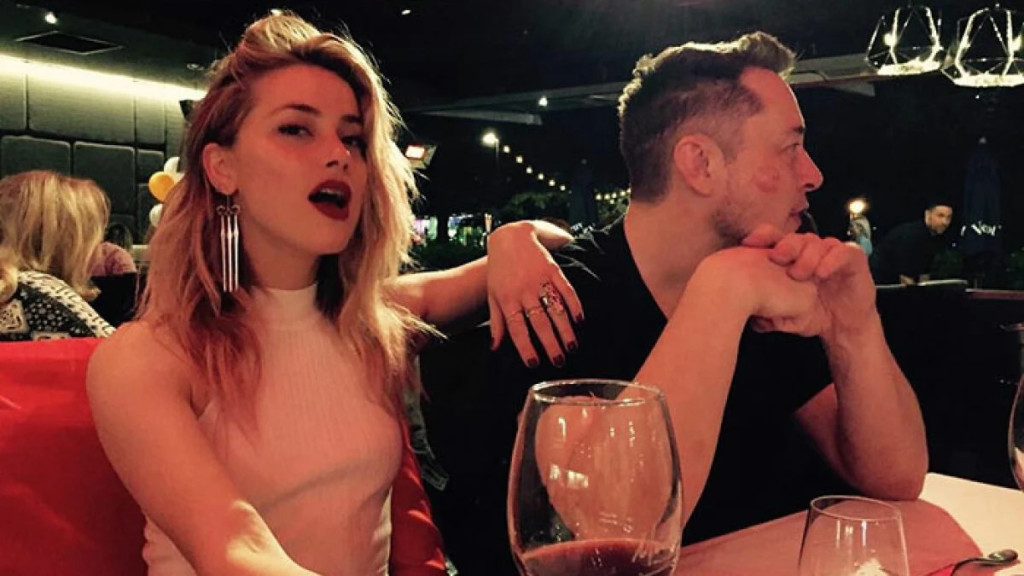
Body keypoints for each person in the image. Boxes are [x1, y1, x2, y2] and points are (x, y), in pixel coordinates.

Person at [86, 12, 582, 576]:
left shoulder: (375, 319)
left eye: (352, 138)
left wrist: (514, 236)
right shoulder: (146, 359)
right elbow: (237, 551)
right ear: (222, 167)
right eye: (297, 129)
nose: (339, 155)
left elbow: (557, 241)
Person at [477, 31, 927, 566]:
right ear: (700, 164)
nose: (813, 175)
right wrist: (722, 291)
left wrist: (853, 326)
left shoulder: (774, 281)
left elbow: (897, 477)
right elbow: (614, 535)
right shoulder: (552, 302)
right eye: (790, 148)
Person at [0, 170, 114, 341]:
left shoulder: (11, 289)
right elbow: (121, 353)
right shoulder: (42, 295)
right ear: (70, 241)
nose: (99, 250)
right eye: (95, 238)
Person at [869, 201, 953, 285]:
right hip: (878, 282)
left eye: (949, 217)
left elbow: (924, 274)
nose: (945, 222)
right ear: (927, 214)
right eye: (940, 216)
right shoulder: (911, 235)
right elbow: (905, 278)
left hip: (892, 282)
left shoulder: (933, 238)